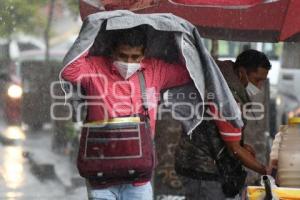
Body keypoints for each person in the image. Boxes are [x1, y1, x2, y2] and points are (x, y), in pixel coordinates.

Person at [61, 26, 191, 200]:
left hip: (139, 178)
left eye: (135, 57)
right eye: (123, 56)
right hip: (102, 177)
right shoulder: (93, 67)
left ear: (144, 55)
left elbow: (190, 70)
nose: (129, 62)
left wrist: (175, 35)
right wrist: (92, 30)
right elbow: (69, 70)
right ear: (113, 51)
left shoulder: (156, 70)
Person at [173, 49, 271, 199]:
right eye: (257, 80)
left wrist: (241, 145)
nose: (260, 86)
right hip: (203, 169)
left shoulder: (221, 81)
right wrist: (265, 170)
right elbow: (234, 148)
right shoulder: (225, 96)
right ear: (241, 73)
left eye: (263, 81)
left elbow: (226, 136)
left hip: (201, 164)